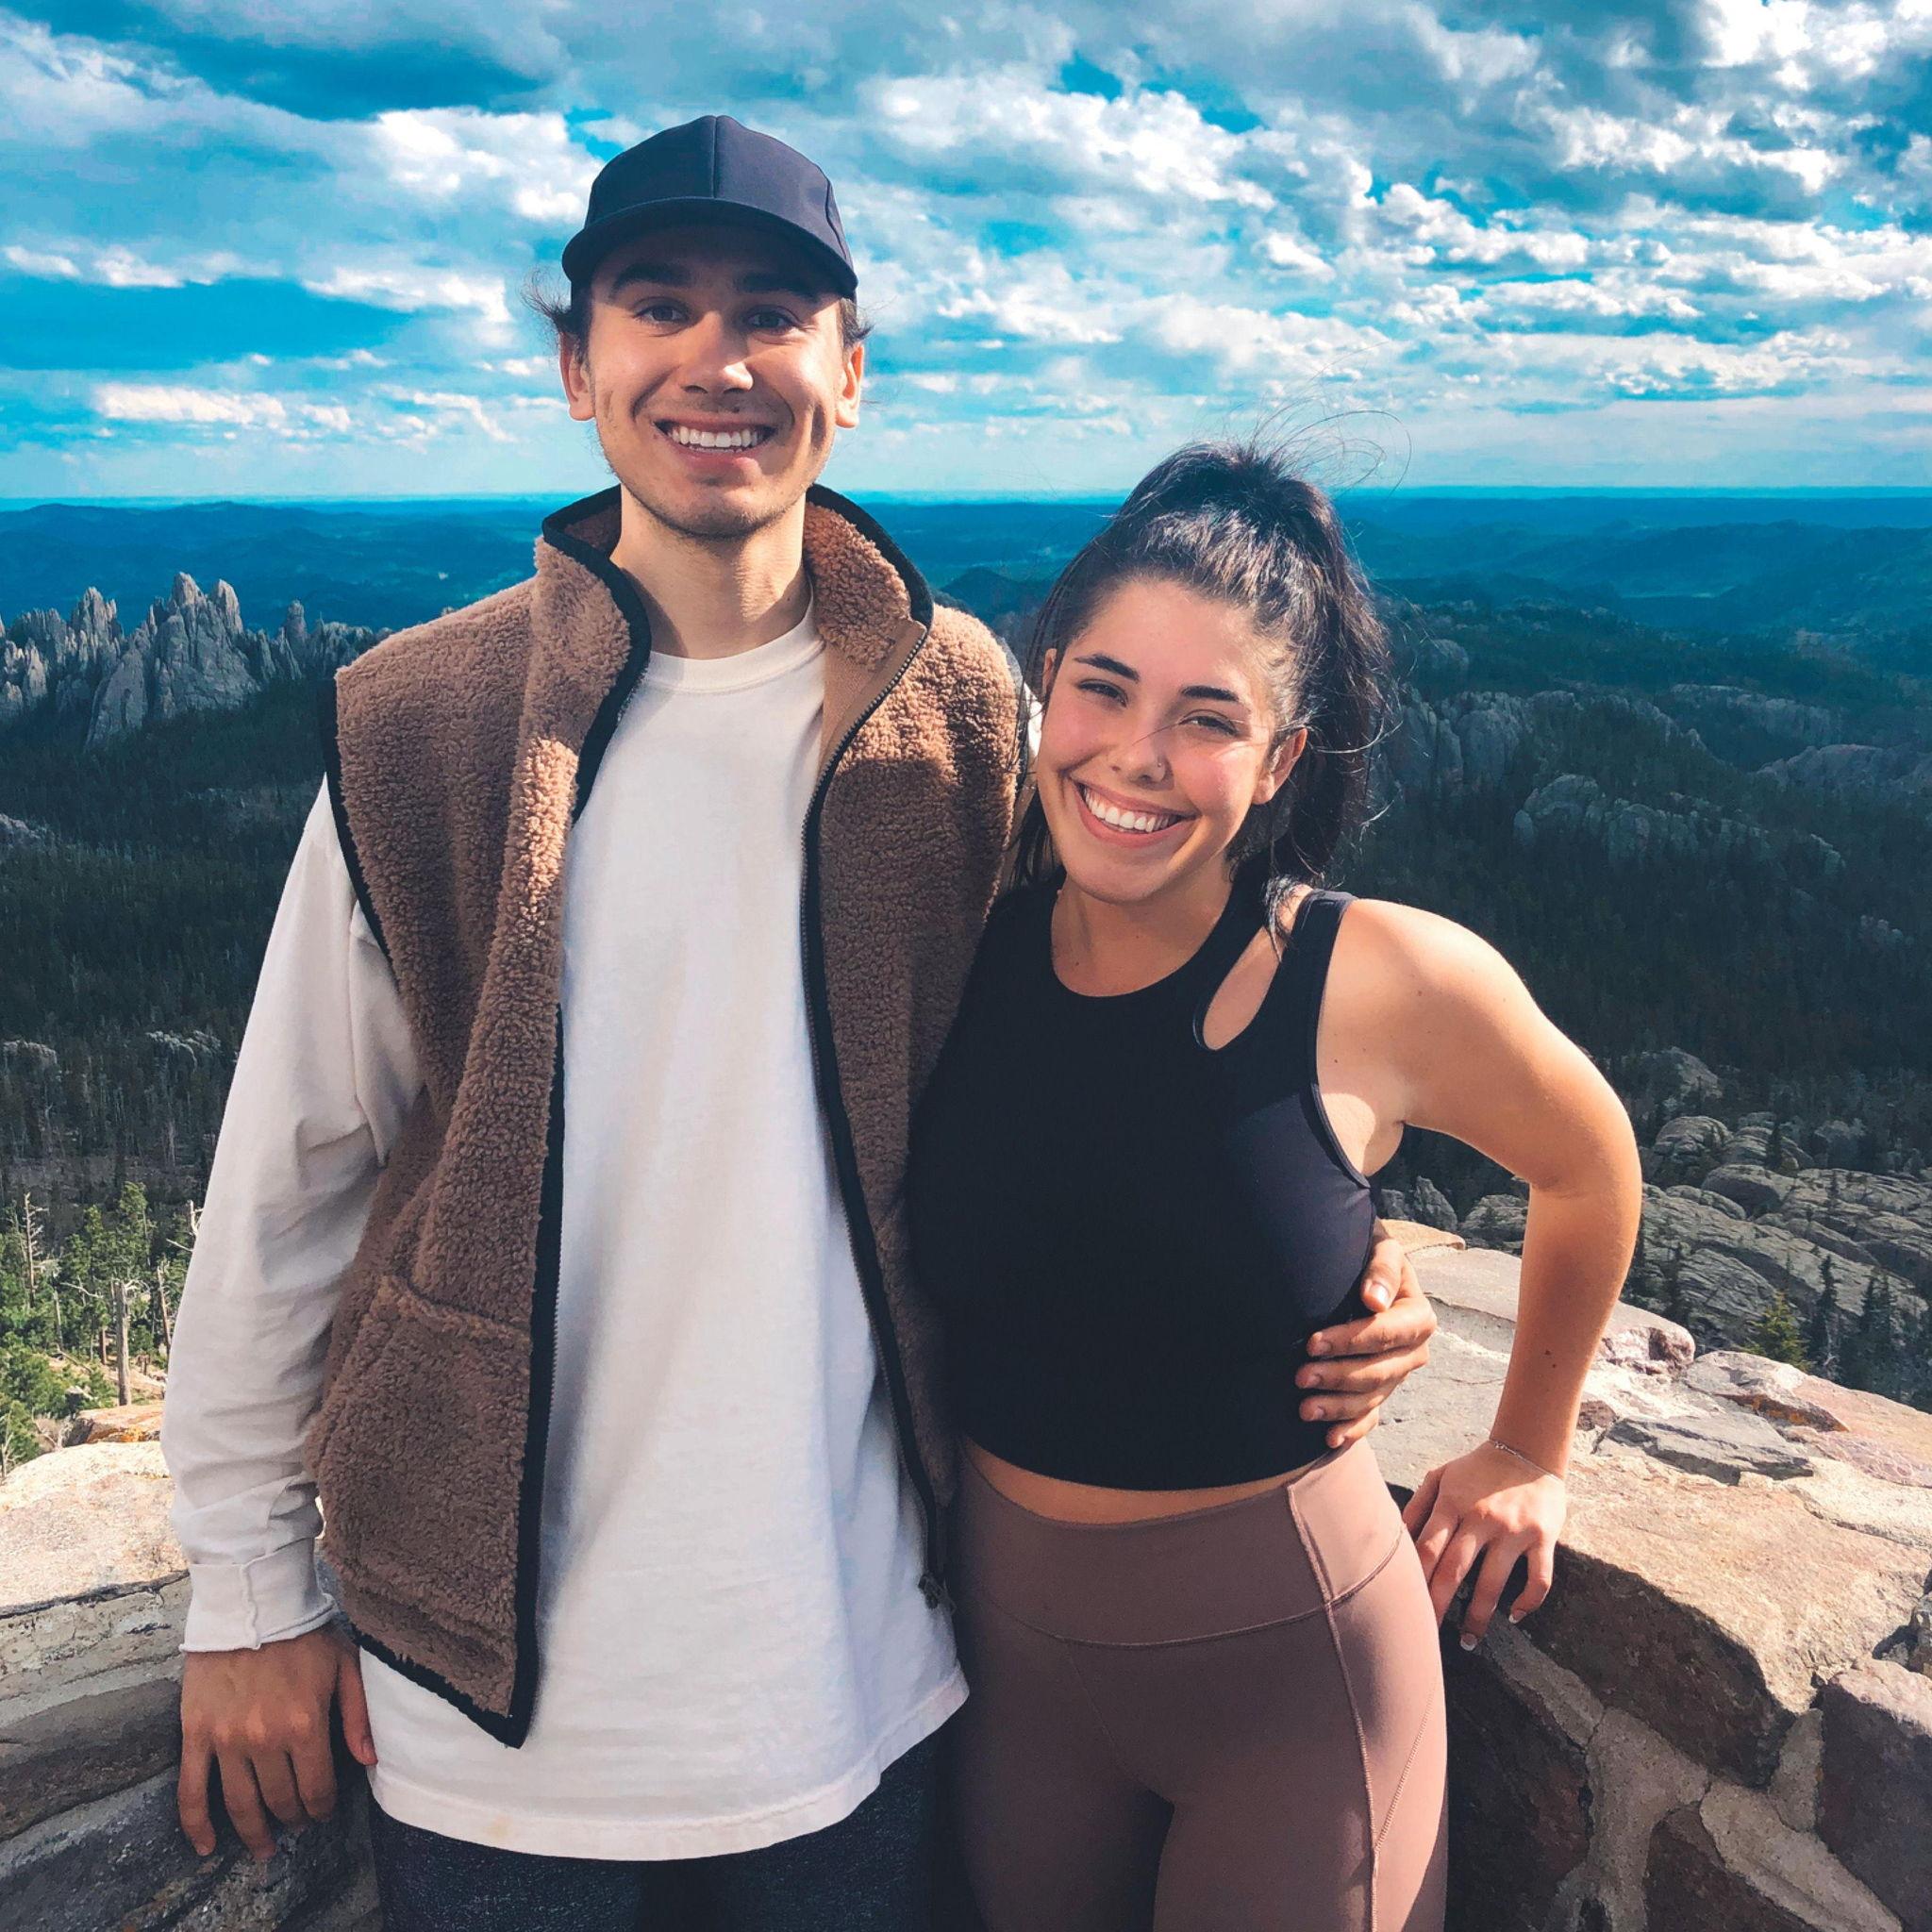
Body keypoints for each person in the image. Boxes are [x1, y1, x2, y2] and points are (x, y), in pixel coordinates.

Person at [158, 120, 1441, 1931]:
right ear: (576, 366)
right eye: (657, 305)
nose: (718, 357)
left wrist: (1327, 1252)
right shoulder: (423, 726)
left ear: (849, 372)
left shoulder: (961, 713)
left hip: (865, 1704)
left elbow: (1111, 1029)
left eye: (774, 312)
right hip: (489, 1734)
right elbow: (286, 1183)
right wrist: (244, 1593)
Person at [907, 438, 1644, 1932]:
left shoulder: (1376, 979)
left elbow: (1590, 1164)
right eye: (1102, 687)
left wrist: (1528, 1449)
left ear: (1282, 760)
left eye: (1207, 719)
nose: (1134, 757)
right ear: (1046, 682)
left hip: (1290, 1690)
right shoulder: (963, 940)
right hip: (1011, 1672)